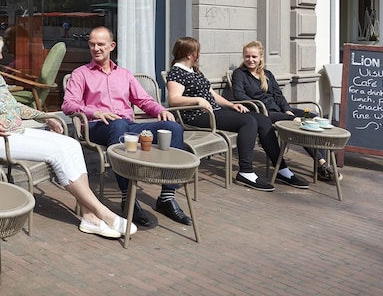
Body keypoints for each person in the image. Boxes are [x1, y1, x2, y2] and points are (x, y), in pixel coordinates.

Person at [0, 29, 131, 240]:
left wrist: (44, 117)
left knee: (70, 144)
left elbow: (15, 107)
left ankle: (89, 216)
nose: (1, 56)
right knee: (56, 152)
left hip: (14, 132)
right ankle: (102, 212)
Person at [62, 26, 192, 228]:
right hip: (97, 127)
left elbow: (143, 100)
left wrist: (160, 110)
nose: (96, 48)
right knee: (119, 125)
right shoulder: (81, 74)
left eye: (101, 44)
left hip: (126, 126)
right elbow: (68, 105)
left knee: (172, 128)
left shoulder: (124, 75)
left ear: (112, 46)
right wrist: (94, 112)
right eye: (92, 44)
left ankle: (167, 197)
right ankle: (128, 197)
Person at [165, 36, 309, 192]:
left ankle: (281, 169)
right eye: (197, 51)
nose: (199, 54)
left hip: (214, 112)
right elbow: (174, 99)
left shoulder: (194, 71)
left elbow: (212, 94)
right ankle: (245, 171)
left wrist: (232, 105)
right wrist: (198, 100)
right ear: (190, 54)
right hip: (196, 116)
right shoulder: (177, 72)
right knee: (248, 121)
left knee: (262, 119)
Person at [231, 41, 339, 181]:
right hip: (262, 112)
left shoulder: (267, 74)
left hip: (277, 109)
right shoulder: (239, 73)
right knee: (300, 123)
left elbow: (278, 95)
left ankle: (323, 163)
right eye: (247, 56)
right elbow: (239, 95)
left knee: (313, 118)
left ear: (261, 57)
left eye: (254, 57)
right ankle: (322, 163)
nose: (250, 60)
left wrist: (287, 110)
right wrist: (266, 108)